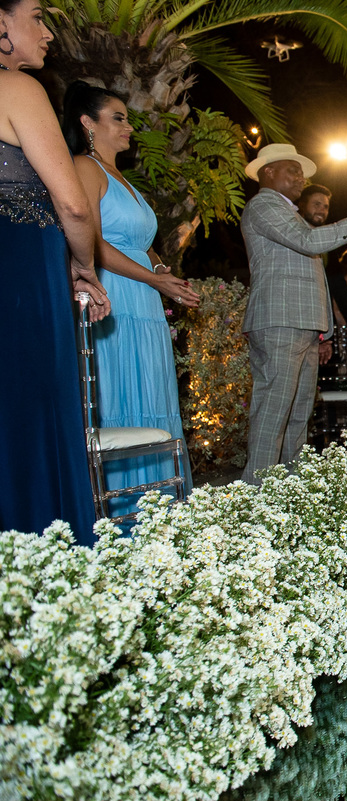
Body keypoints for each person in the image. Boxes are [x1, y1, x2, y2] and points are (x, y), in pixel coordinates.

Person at [0, 0, 108, 543]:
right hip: (21, 279)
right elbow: (72, 205)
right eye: (37, 16)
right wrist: (84, 268)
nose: (47, 32)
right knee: (31, 413)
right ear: (1, 23)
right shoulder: (17, 89)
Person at [64, 81, 196, 518]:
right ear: (88, 123)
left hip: (145, 299)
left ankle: (162, 506)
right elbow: (93, 242)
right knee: (121, 393)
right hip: (115, 298)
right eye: (118, 118)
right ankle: (125, 515)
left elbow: (142, 241)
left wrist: (161, 271)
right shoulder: (85, 168)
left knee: (153, 395)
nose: (129, 127)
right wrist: (153, 281)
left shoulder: (124, 178)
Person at [239, 143, 347, 483]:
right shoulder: (263, 205)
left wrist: (324, 332)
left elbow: (312, 275)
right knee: (274, 411)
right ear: (268, 171)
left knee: (298, 414)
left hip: (302, 325)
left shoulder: (289, 213)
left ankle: (290, 488)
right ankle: (255, 494)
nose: (301, 177)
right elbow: (308, 242)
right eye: (293, 169)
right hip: (280, 322)